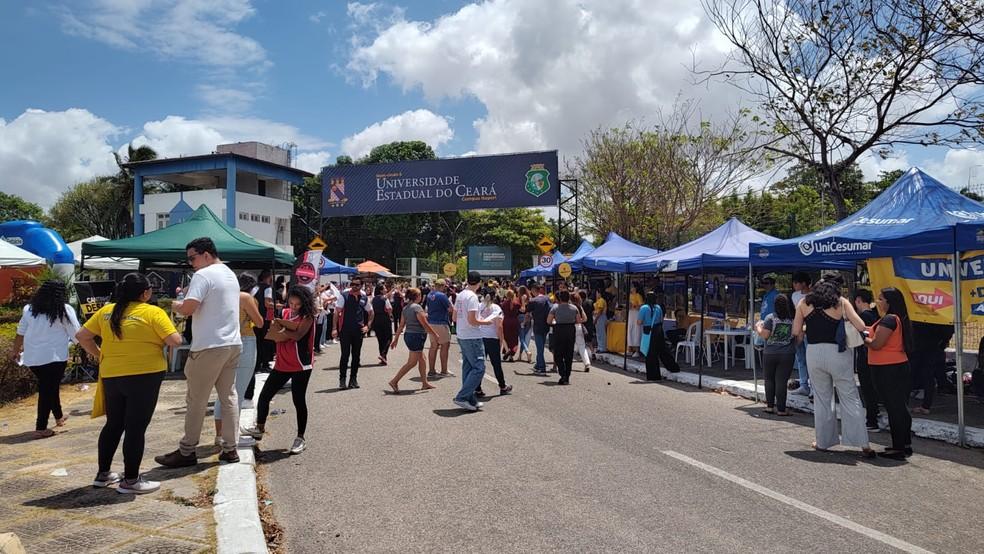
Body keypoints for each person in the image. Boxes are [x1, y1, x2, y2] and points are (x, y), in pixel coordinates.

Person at [77, 273, 184, 494]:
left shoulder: (106, 311)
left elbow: (82, 336)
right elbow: (175, 340)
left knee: (114, 424)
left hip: (111, 374)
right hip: (144, 374)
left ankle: (103, 474)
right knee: (135, 428)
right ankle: (131, 480)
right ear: (145, 293)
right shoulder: (153, 312)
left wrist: (100, 354)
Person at [157, 237, 243, 468]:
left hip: (209, 346)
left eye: (192, 258)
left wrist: (175, 304)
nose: (191, 263)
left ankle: (187, 450)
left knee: (196, 400)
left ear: (206, 254)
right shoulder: (229, 274)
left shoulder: (203, 275)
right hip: (233, 343)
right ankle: (230, 448)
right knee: (229, 398)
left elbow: (187, 309)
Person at [792, 276, 875, 457]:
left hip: (814, 352)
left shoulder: (803, 303)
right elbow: (860, 325)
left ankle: (823, 441)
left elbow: (796, 331)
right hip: (838, 353)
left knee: (822, 399)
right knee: (849, 396)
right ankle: (863, 444)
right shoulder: (841, 302)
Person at [245, 286, 317, 455]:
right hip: (282, 363)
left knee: (298, 400)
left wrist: (282, 329)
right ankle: (259, 429)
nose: (293, 307)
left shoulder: (308, 316)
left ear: (304, 304)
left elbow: (298, 335)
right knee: (264, 396)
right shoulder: (284, 313)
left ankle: (300, 438)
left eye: (297, 304)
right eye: (291, 303)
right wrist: (275, 328)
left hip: (301, 364)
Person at [13, 280, 81, 439]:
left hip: (33, 358)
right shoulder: (64, 309)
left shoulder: (29, 309)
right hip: (54, 356)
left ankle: (58, 417)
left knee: (50, 387)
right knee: (47, 390)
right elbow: (76, 334)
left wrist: (15, 350)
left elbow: (20, 332)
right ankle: (41, 426)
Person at [212, 273, 264, 446]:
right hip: (245, 341)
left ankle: (220, 433)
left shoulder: (222, 296)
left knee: (223, 391)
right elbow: (259, 322)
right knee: (238, 391)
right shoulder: (246, 297)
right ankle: (231, 434)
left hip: (224, 342)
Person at [866, 287, 914, 460]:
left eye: (880, 299)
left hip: (889, 367)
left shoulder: (889, 319)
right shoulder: (893, 319)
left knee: (895, 407)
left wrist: (862, 337)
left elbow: (877, 343)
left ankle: (899, 447)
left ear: (889, 302)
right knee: (897, 406)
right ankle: (902, 444)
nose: (878, 302)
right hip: (892, 366)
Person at [453, 271, 496, 411]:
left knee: (468, 367)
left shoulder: (460, 295)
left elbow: (454, 317)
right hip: (472, 336)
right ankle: (462, 397)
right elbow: (472, 320)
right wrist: (485, 322)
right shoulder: (472, 297)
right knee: (479, 367)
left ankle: (470, 398)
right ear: (478, 283)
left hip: (462, 334)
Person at [388, 288, 438, 392]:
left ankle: (424, 383)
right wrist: (434, 334)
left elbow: (401, 325)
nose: (421, 297)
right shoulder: (417, 307)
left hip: (409, 335)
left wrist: (396, 339)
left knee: (422, 359)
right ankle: (394, 381)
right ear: (416, 296)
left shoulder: (405, 308)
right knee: (412, 362)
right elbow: (424, 323)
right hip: (416, 336)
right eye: (419, 295)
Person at [755, 294, 796, 415]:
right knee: (781, 381)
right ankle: (782, 409)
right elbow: (797, 335)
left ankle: (769, 406)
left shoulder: (770, 318)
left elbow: (765, 335)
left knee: (769, 380)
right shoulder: (792, 319)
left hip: (770, 353)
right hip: (787, 354)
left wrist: (758, 328)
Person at [334, 278, 373, 389]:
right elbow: (337, 312)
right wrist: (334, 328)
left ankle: (353, 380)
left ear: (361, 286)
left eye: (356, 284)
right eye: (352, 284)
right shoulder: (344, 296)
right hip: (345, 330)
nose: (354, 286)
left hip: (358, 330)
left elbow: (371, 312)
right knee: (345, 355)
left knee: (356, 356)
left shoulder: (364, 297)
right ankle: (342, 380)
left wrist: (368, 326)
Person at [244, 269, 275, 402]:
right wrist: (277, 305)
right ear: (269, 277)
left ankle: (259, 364)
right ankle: (263, 362)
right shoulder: (267, 288)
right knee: (264, 342)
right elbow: (268, 303)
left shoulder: (254, 290)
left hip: (249, 323)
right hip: (261, 319)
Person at [476, 289, 513, 397]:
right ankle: (502, 386)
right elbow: (499, 326)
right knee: (496, 364)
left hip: (480, 337)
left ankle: (477, 388)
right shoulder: (496, 308)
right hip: (492, 338)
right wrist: (501, 340)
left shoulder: (478, 306)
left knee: (479, 364)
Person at [853, 289, 882, 430]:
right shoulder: (876, 315)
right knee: (874, 387)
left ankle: (872, 419)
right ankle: (874, 414)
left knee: (867, 389)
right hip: (875, 355)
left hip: (865, 356)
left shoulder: (862, 318)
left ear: (859, 300)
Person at [638, 290, 681, 381]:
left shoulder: (644, 308)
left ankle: (654, 376)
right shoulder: (658, 307)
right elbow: (661, 319)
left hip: (649, 331)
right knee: (663, 350)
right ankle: (674, 367)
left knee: (650, 354)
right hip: (659, 330)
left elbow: (639, 322)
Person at [547, 290, 582, 385]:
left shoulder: (555, 308)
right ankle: (567, 375)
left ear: (560, 298)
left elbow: (549, 321)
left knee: (558, 354)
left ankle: (563, 374)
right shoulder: (574, 308)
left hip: (559, 330)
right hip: (570, 330)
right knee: (569, 354)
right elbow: (578, 321)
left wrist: (556, 321)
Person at [426, 279, 455, 378]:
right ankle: (444, 370)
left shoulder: (429, 295)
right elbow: (450, 309)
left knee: (433, 346)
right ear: (442, 286)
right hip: (441, 323)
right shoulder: (442, 296)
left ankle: (431, 370)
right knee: (445, 346)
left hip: (431, 323)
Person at [790, 272, 812, 396]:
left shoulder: (813, 296)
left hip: (809, 330)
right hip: (799, 329)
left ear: (804, 283)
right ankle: (804, 384)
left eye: (796, 283)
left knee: (811, 360)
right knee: (800, 358)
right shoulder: (795, 296)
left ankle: (813, 387)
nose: (794, 285)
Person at [528, 284, 552, 375]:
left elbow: (525, 310)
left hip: (537, 326)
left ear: (534, 290)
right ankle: (538, 365)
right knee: (541, 346)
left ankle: (542, 368)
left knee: (540, 347)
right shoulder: (547, 299)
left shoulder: (533, 301)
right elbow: (551, 309)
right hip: (546, 325)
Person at [371, 286, 393, 366]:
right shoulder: (384, 298)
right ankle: (383, 354)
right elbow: (389, 308)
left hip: (376, 319)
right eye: (384, 289)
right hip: (384, 318)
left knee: (380, 339)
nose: (386, 290)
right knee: (388, 338)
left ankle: (383, 358)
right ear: (381, 290)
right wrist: (390, 314)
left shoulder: (373, 299)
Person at [500, 289, 521, 361]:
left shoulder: (504, 303)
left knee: (506, 338)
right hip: (514, 322)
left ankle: (507, 351)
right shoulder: (517, 304)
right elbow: (521, 310)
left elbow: (502, 312)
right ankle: (511, 354)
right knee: (514, 339)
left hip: (506, 322)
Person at [574, 292, 592, 372]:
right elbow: (585, 319)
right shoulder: (580, 307)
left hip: (570, 327)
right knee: (582, 346)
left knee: (568, 346)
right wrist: (579, 321)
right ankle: (587, 363)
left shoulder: (570, 307)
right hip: (579, 327)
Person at [627, 283, 643, 357]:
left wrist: (634, 306)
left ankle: (637, 350)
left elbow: (641, 306)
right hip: (631, 314)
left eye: (632, 287)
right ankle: (630, 349)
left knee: (636, 331)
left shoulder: (638, 296)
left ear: (635, 288)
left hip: (636, 314)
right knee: (630, 330)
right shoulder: (629, 296)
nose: (631, 288)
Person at [517, 285, 532, 363]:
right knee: (524, 337)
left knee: (522, 338)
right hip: (528, 318)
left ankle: (527, 351)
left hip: (521, 318)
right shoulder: (529, 299)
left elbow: (522, 310)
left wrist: (522, 302)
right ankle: (520, 355)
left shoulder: (520, 299)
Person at [593, 289, 609, 354]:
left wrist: (595, 319)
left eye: (597, 293)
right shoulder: (598, 300)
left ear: (599, 293)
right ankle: (600, 347)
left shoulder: (601, 300)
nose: (596, 294)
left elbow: (600, 311)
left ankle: (603, 348)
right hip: (598, 317)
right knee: (598, 333)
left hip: (601, 317)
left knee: (602, 333)